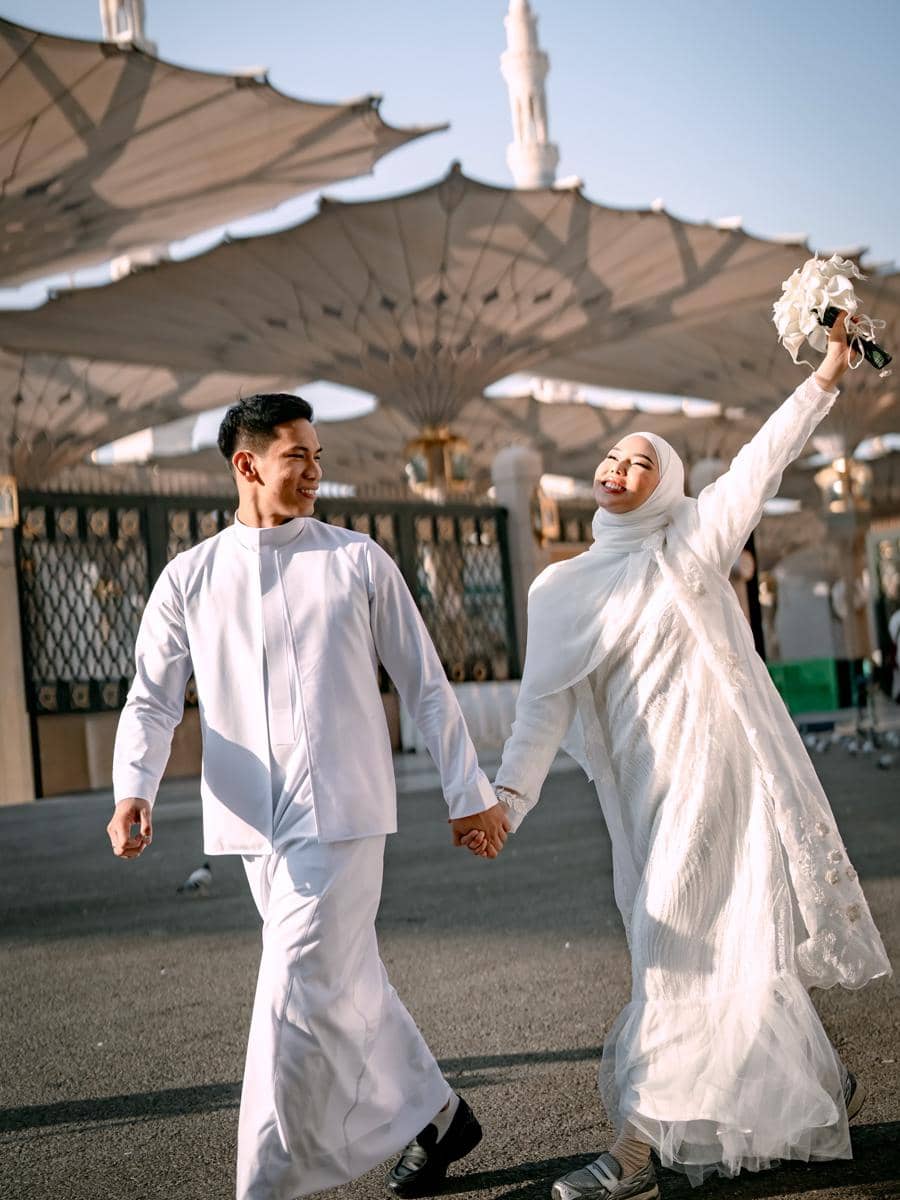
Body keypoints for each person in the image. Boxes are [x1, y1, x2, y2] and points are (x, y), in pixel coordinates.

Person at [467, 315, 892, 1199]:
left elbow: (759, 464)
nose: (620, 469)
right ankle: (808, 1079)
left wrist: (825, 376)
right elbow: (542, 709)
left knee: (672, 938)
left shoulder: (692, 543)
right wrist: (507, 797)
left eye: (642, 462)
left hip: (718, 772)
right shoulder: (563, 588)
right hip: (644, 790)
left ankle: (633, 1149)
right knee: (689, 935)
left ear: (667, 486)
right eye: (614, 459)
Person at [106, 393, 510, 1200]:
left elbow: (425, 686)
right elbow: (152, 697)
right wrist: (132, 788)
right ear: (248, 465)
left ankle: (266, 1184)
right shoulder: (189, 576)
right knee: (342, 984)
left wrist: (469, 792)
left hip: (345, 814)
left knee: (293, 988)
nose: (317, 473)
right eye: (300, 458)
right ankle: (441, 1116)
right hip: (253, 821)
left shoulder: (359, 561)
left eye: (320, 458)